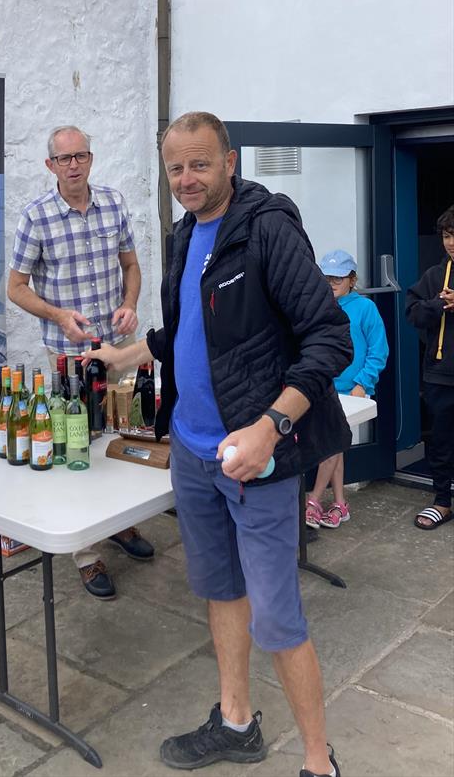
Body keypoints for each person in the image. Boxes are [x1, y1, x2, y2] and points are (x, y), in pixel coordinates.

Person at [86, 112, 352, 777]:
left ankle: (320, 763)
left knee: (278, 617)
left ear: (230, 161)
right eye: (175, 167)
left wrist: (269, 428)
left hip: (254, 461)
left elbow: (329, 337)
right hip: (194, 453)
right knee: (221, 590)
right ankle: (236, 722)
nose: (187, 178)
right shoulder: (183, 233)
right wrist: (125, 354)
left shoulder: (268, 228)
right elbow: (182, 329)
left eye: (200, 164)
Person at [7, 125, 154, 600]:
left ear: (91, 159)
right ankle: (86, 554)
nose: (74, 165)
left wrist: (130, 302)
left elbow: (130, 265)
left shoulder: (113, 203)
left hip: (120, 345)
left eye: (81, 156)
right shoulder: (36, 217)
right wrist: (57, 315)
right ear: (50, 165)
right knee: (80, 447)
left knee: (127, 436)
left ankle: (122, 525)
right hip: (70, 354)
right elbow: (16, 288)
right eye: (64, 158)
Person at [305, 250, 389, 529]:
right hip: (323, 387)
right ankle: (340, 504)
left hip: (351, 391)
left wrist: (363, 383)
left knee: (331, 444)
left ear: (352, 279)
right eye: (326, 277)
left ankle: (314, 499)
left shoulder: (365, 308)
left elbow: (379, 350)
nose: (331, 283)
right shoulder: (318, 306)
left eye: (337, 278)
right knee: (335, 445)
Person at [406, 205, 454, 531]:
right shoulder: (435, 275)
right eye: (448, 235)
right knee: (441, 439)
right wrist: (438, 304)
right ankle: (442, 501)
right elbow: (413, 313)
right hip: (441, 372)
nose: (451, 242)